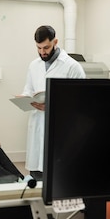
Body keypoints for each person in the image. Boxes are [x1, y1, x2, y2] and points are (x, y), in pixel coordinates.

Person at [21, 25, 86, 180]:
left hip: (61, 128)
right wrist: (25, 99)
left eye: (46, 47)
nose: (42, 52)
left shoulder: (72, 67)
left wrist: (53, 106)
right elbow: (28, 90)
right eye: (39, 48)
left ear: (55, 42)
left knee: (58, 178)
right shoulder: (34, 65)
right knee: (37, 176)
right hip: (38, 124)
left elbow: (81, 101)